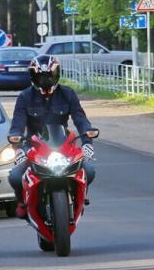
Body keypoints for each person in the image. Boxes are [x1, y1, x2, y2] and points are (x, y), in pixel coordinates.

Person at [7, 54, 96, 218]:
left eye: (49, 75)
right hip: (33, 146)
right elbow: (17, 125)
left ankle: (80, 200)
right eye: (41, 76)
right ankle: (22, 202)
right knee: (15, 176)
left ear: (56, 74)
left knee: (89, 170)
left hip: (63, 145)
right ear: (33, 76)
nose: (45, 80)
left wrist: (87, 142)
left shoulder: (68, 94)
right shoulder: (25, 97)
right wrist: (17, 146)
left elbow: (80, 119)